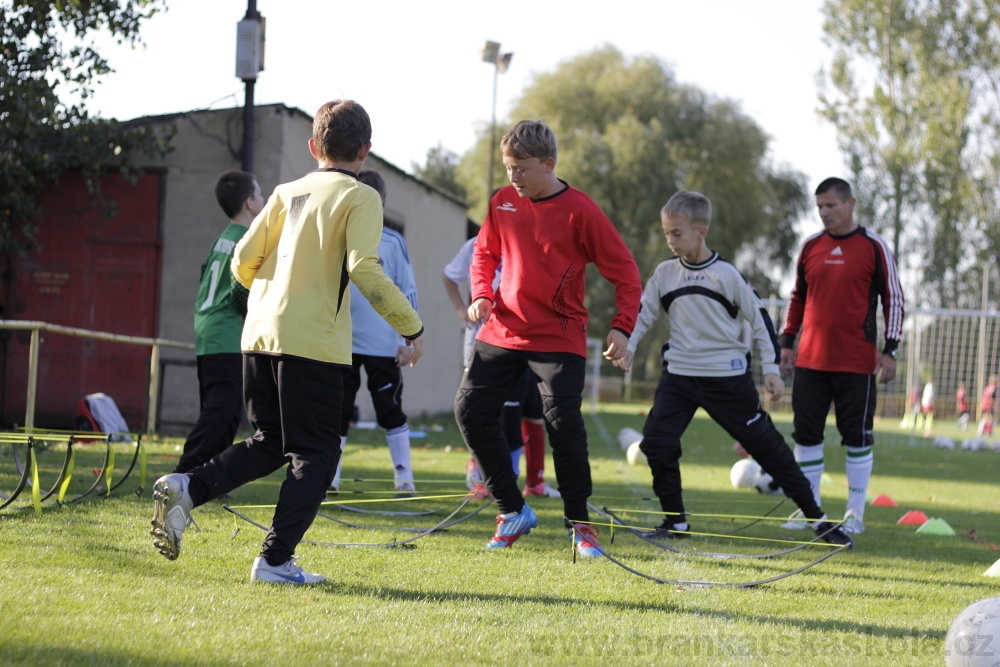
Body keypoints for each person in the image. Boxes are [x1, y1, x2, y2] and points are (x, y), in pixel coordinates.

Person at [149, 100, 424, 585]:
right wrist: (412, 326)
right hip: (312, 343)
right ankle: (275, 561)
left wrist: (268, 298)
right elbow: (364, 269)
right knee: (317, 453)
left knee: (271, 442)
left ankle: (188, 487)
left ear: (313, 146)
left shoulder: (284, 192)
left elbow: (242, 259)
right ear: (366, 150)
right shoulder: (362, 196)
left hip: (259, 335)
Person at [611, 191, 853, 548]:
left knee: (769, 450)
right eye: (666, 233)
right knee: (658, 443)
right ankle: (675, 522)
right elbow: (643, 314)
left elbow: (760, 321)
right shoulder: (664, 274)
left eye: (677, 233)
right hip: (678, 377)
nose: (670, 240)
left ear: (701, 232)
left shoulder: (726, 275)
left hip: (727, 380)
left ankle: (819, 521)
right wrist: (628, 347)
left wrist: (770, 369)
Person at [454, 119, 642, 556]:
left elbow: (626, 273)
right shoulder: (501, 202)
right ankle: (512, 510)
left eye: (521, 168)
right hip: (503, 329)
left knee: (563, 425)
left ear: (549, 164)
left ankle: (581, 526)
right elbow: (484, 253)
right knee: (470, 410)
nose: (513, 176)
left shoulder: (581, 211)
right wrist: (481, 294)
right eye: (508, 167)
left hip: (559, 336)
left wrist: (622, 326)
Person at [779, 177, 905, 537]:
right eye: (819, 206)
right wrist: (787, 342)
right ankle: (810, 510)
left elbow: (894, 299)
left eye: (831, 205)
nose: (824, 212)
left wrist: (890, 350)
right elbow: (797, 298)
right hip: (810, 362)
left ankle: (854, 514)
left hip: (857, 364)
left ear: (851, 203)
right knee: (806, 436)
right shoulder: (810, 246)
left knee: (858, 438)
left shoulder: (874, 246)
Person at [443, 237, 560, 498]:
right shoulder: (475, 246)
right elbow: (449, 276)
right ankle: (482, 475)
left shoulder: (530, 241)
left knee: (529, 412)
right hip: (484, 346)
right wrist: (461, 308)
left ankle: (529, 481)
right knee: (483, 412)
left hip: (523, 343)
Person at [328, 170, 419, 496]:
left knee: (389, 409)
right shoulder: (338, 235)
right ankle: (331, 477)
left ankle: (404, 479)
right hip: (343, 344)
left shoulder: (393, 241)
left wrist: (408, 338)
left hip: (384, 345)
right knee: (338, 411)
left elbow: (407, 289)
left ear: (382, 203)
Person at [174, 171, 263, 474]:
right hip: (226, 334)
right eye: (260, 194)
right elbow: (241, 292)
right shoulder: (245, 239)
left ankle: (209, 479)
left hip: (208, 332)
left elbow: (204, 275)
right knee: (220, 413)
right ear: (249, 203)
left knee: (225, 412)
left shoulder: (221, 239)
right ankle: (183, 475)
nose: (264, 200)